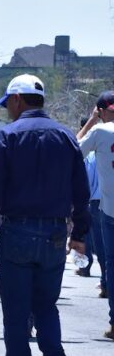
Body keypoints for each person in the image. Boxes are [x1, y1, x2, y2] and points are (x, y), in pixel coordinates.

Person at [0, 74, 90, 356]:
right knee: (46, 307)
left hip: (16, 232)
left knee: (15, 317)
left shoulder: (7, 137)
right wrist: (80, 234)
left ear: (16, 100)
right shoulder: (66, 137)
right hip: (55, 234)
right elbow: (81, 191)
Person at [76, 91, 114, 339]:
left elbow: (72, 150)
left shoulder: (100, 132)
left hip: (110, 210)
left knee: (111, 263)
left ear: (99, 111)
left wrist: (90, 122)